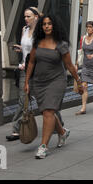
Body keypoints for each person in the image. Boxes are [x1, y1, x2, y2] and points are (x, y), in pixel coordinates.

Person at [25, 14, 82, 159]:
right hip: (39, 82)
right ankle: (62, 133)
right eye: (44, 24)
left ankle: (43, 146)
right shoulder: (37, 43)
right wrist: (26, 82)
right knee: (47, 112)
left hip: (56, 81)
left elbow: (69, 65)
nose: (46, 26)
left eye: (49, 24)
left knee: (48, 112)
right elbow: (31, 63)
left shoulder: (61, 44)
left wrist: (78, 81)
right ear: (41, 27)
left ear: (54, 25)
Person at [6, 7, 65, 141]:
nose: (26, 19)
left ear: (36, 17)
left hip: (41, 70)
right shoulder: (24, 30)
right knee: (23, 99)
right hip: (25, 69)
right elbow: (27, 49)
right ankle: (17, 129)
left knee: (46, 102)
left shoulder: (42, 32)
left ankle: (59, 123)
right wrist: (20, 50)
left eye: (29, 16)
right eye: (25, 17)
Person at [75, 21, 93, 115]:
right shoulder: (83, 38)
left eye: (90, 27)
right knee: (84, 86)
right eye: (87, 27)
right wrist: (77, 64)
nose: (88, 29)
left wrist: (92, 55)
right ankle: (83, 108)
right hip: (85, 66)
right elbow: (80, 52)